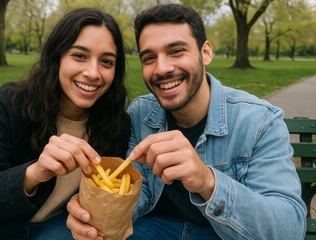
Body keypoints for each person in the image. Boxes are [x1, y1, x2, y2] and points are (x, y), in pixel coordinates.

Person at [66, 3, 307, 240]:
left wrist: (207, 181)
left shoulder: (260, 121)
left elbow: (289, 229)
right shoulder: (140, 113)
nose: (162, 68)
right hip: (153, 229)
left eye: (176, 51)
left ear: (206, 53)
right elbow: (136, 194)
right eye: (149, 58)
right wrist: (95, 216)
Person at [0, 7, 130, 240]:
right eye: (80, 55)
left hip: (59, 229)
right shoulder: (11, 104)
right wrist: (34, 174)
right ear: (57, 57)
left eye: (106, 62)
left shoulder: (116, 123)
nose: (93, 72)